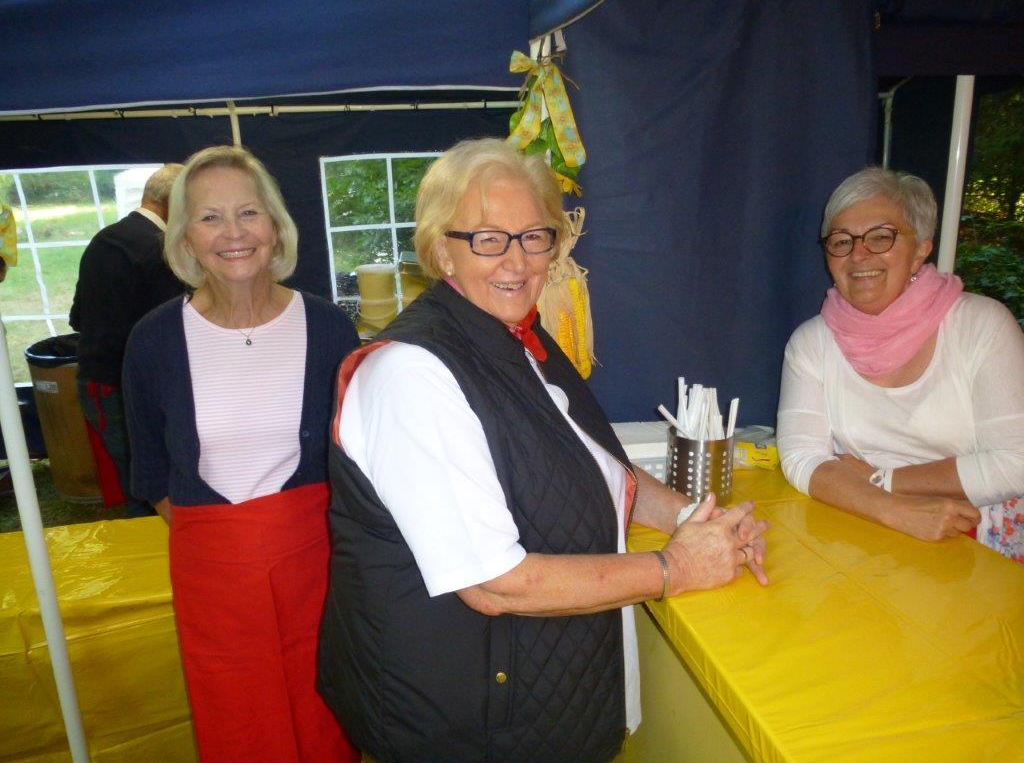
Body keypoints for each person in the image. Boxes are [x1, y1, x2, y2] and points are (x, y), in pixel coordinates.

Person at [317, 138, 770, 763]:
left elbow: (594, 463)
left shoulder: (516, 334)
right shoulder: (411, 375)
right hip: (464, 726)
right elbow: (495, 584)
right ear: (442, 251)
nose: (518, 259)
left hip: (535, 700)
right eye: (488, 238)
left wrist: (697, 519)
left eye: (534, 236)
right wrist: (677, 568)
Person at [122, 146, 360, 762]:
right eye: (210, 217)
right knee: (237, 722)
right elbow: (151, 471)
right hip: (212, 579)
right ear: (185, 239)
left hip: (316, 570)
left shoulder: (330, 329)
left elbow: (354, 461)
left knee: (323, 714)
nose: (233, 233)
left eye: (248, 212)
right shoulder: (153, 340)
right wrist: (227, 545)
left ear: (275, 226)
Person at [777, 166, 1024, 562]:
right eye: (841, 241)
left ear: (921, 249)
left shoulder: (982, 325)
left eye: (881, 237)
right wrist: (897, 510)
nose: (858, 254)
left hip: (975, 539)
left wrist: (884, 479)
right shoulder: (811, 342)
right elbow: (802, 458)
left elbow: (1015, 464)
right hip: (858, 529)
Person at [70, 163, 187, 516]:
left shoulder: (105, 238)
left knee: (134, 475)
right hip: (125, 384)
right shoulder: (159, 251)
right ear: (172, 204)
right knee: (150, 483)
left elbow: (77, 317)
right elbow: (173, 332)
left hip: (96, 378)